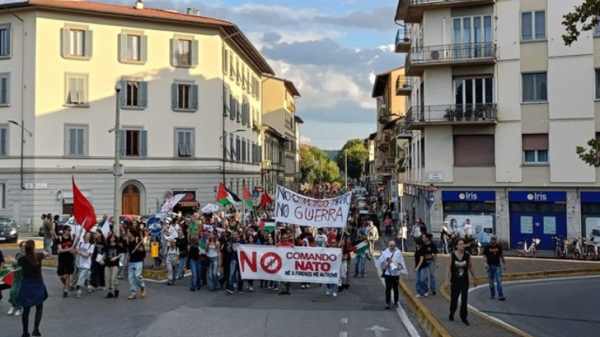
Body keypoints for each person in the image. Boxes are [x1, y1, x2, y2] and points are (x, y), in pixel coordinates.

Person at [17, 240, 49, 337]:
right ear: (34, 247)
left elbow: (17, 264)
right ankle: (36, 330)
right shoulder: (38, 256)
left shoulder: (21, 259)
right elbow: (47, 254)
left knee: (26, 310)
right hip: (38, 284)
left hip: (27, 284)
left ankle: (25, 332)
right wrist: (44, 253)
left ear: (25, 248)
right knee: (39, 307)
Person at [448, 239, 476, 326]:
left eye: (463, 244)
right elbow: (449, 268)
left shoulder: (467, 255)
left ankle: (464, 317)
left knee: (464, 300)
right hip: (455, 281)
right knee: (454, 300)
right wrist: (447, 280)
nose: (462, 246)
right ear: (456, 246)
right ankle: (452, 312)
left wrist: (474, 278)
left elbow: (470, 267)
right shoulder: (452, 255)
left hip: (464, 281)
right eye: (460, 244)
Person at [378, 240, 407, 309]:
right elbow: (380, 262)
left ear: (395, 246)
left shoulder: (398, 252)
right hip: (388, 274)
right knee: (388, 289)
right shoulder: (385, 253)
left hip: (396, 274)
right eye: (390, 246)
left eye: (393, 246)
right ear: (388, 246)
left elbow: (401, 262)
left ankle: (396, 301)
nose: (392, 247)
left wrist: (399, 267)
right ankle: (388, 303)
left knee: (395, 288)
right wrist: (385, 265)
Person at [483, 236, 506, 301]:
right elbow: (484, 255)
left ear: (496, 240)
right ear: (490, 240)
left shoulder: (499, 247)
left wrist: (504, 264)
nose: (493, 241)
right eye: (492, 240)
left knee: (499, 281)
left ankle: (500, 295)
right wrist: (485, 263)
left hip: (497, 266)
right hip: (489, 266)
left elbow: (501, 256)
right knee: (491, 282)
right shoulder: (487, 247)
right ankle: (492, 294)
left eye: (494, 240)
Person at [127, 229, 146, 300]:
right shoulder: (128, 242)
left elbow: (143, 251)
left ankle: (142, 287)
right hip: (131, 262)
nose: (127, 233)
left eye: (128, 232)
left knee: (137, 276)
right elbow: (129, 252)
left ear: (132, 233)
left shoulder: (138, 241)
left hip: (138, 261)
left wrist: (139, 249)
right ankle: (133, 293)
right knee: (131, 278)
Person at [56, 227, 75, 298]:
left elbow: (74, 250)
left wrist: (73, 251)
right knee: (61, 275)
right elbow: (60, 250)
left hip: (69, 258)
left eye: (70, 230)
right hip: (62, 259)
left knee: (67, 274)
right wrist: (69, 249)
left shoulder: (71, 239)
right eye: (68, 230)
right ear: (64, 231)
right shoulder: (60, 238)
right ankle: (67, 285)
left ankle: (66, 290)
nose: (69, 231)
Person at [75, 232, 95, 298]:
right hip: (79, 264)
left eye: (88, 235)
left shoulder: (91, 245)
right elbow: (76, 250)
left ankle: (79, 290)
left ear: (90, 237)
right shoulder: (80, 243)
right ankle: (89, 286)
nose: (87, 236)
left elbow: (87, 256)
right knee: (84, 277)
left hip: (86, 265)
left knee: (81, 277)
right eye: (86, 235)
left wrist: (79, 252)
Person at [103, 234, 122, 298]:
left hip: (115, 264)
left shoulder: (117, 246)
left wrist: (115, 258)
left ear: (115, 238)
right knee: (107, 278)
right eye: (111, 237)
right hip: (107, 264)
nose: (112, 238)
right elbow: (104, 254)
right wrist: (102, 259)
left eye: (113, 237)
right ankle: (110, 292)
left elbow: (120, 254)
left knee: (113, 278)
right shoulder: (107, 246)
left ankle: (116, 289)